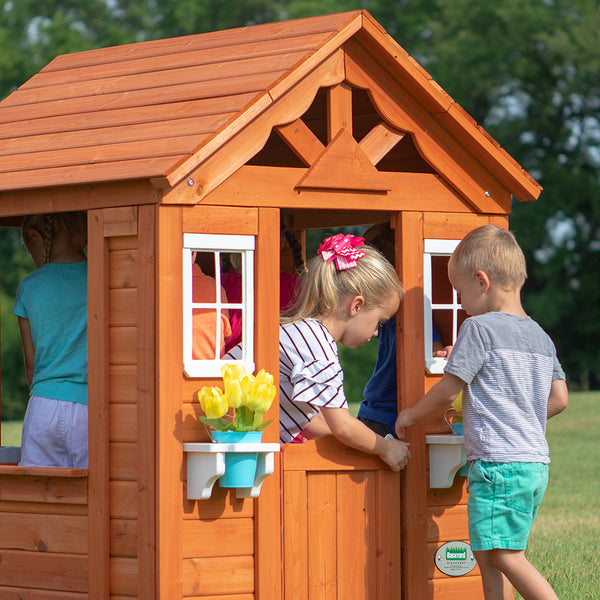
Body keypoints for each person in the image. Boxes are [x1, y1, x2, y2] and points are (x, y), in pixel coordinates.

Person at [395, 225, 569, 600]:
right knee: (487, 556)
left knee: (507, 557)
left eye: (459, 293)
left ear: (481, 281)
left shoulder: (478, 329)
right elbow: (560, 398)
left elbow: (446, 391)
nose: (460, 302)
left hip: (498, 466)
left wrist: (410, 415)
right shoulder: (540, 335)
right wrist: (520, 418)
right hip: (533, 464)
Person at [279, 233, 411, 472]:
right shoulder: (316, 348)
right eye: (379, 322)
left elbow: (311, 422)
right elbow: (343, 427)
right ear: (356, 306)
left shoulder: (305, 333)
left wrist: (366, 438)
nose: (376, 333)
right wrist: (386, 448)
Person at [358, 222, 452, 437]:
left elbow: (433, 349)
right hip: (377, 408)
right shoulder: (386, 313)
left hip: (390, 411)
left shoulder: (415, 312)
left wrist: (441, 354)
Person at [13, 211, 89, 468]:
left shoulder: (29, 286)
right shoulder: (102, 277)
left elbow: (31, 364)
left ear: (36, 235)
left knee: (39, 492)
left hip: (41, 407)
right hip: (90, 407)